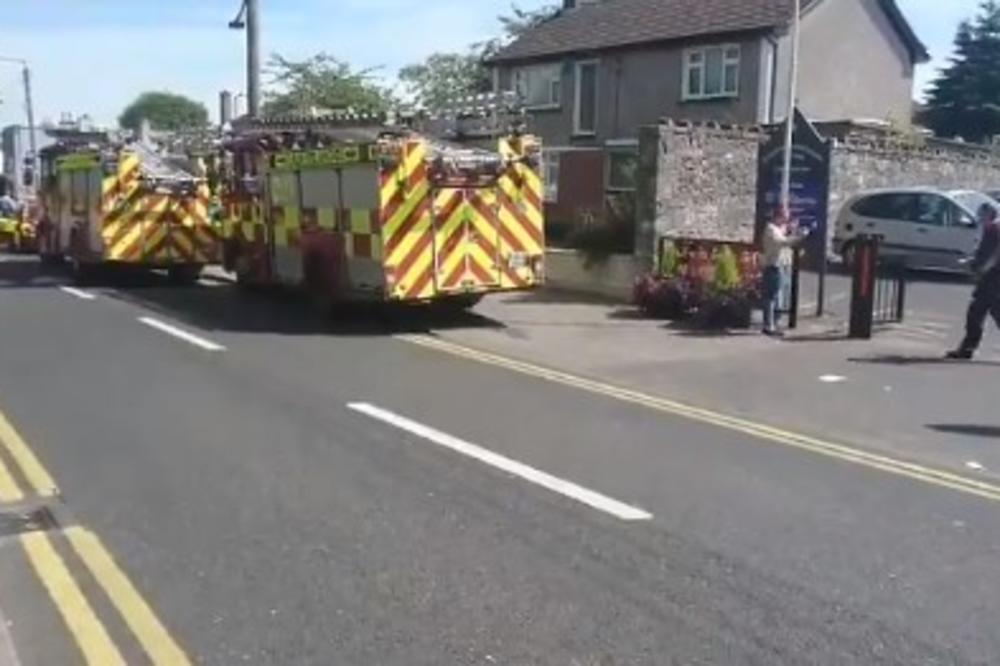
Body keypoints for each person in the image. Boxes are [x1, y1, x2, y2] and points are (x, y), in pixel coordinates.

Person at [946, 203, 1000, 359]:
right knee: (979, 310)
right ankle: (967, 348)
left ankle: (967, 348)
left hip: (993, 276)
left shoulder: (992, 229)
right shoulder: (995, 228)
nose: (980, 219)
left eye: (981, 215)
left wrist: (979, 267)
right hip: (993, 275)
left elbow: (990, 253)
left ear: (988, 215)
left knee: (983, 311)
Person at [761, 209, 806, 336]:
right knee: (771, 296)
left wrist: (793, 230)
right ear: (778, 217)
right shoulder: (771, 229)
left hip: (782, 266)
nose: (786, 221)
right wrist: (799, 236)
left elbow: (786, 237)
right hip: (773, 266)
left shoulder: (779, 229)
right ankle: (768, 325)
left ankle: (775, 323)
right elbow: (783, 241)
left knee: (778, 296)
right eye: (785, 218)